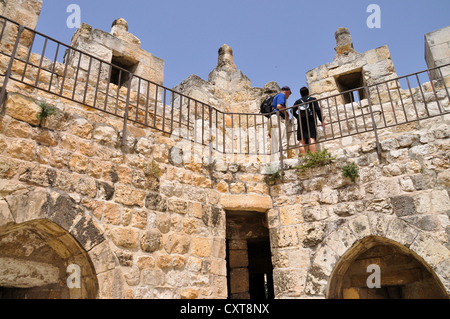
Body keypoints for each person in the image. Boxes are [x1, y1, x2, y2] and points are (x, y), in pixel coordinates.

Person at [293, 86, 326, 155]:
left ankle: (303, 158)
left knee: (302, 140)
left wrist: (298, 117)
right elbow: (318, 110)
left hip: (301, 121)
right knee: (311, 138)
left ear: (300, 94)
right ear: (308, 92)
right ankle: (312, 157)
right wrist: (321, 121)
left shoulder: (297, 102)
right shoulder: (313, 99)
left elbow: (292, 111)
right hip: (311, 120)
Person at [267, 86, 292, 161]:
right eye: (289, 93)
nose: (288, 96)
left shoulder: (275, 97)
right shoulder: (282, 95)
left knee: (275, 141)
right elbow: (279, 106)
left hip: (271, 119)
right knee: (282, 139)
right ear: (287, 91)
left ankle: (274, 160)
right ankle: (282, 160)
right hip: (277, 118)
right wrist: (286, 113)